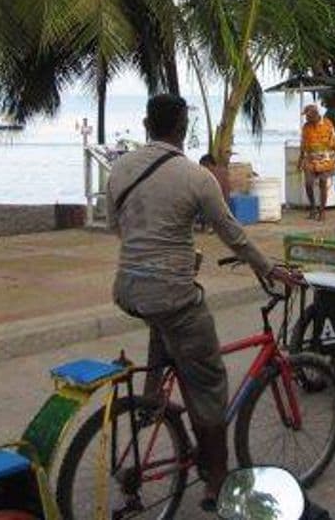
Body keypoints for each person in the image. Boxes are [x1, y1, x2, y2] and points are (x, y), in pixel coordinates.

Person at [108, 94, 295, 510]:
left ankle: (155, 402)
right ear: (183, 127)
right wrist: (271, 270)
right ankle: (217, 479)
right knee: (209, 383)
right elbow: (234, 234)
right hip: (172, 293)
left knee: (167, 327)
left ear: (145, 124)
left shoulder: (119, 169)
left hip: (129, 288)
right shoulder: (195, 176)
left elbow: (117, 227)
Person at [296, 103, 335, 220]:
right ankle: (313, 208)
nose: (306, 118)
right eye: (305, 116)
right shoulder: (306, 127)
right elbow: (303, 145)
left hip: (326, 160)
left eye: (308, 116)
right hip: (310, 160)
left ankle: (322, 211)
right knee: (308, 184)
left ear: (315, 115)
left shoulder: (328, 124)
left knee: (323, 182)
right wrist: (300, 161)